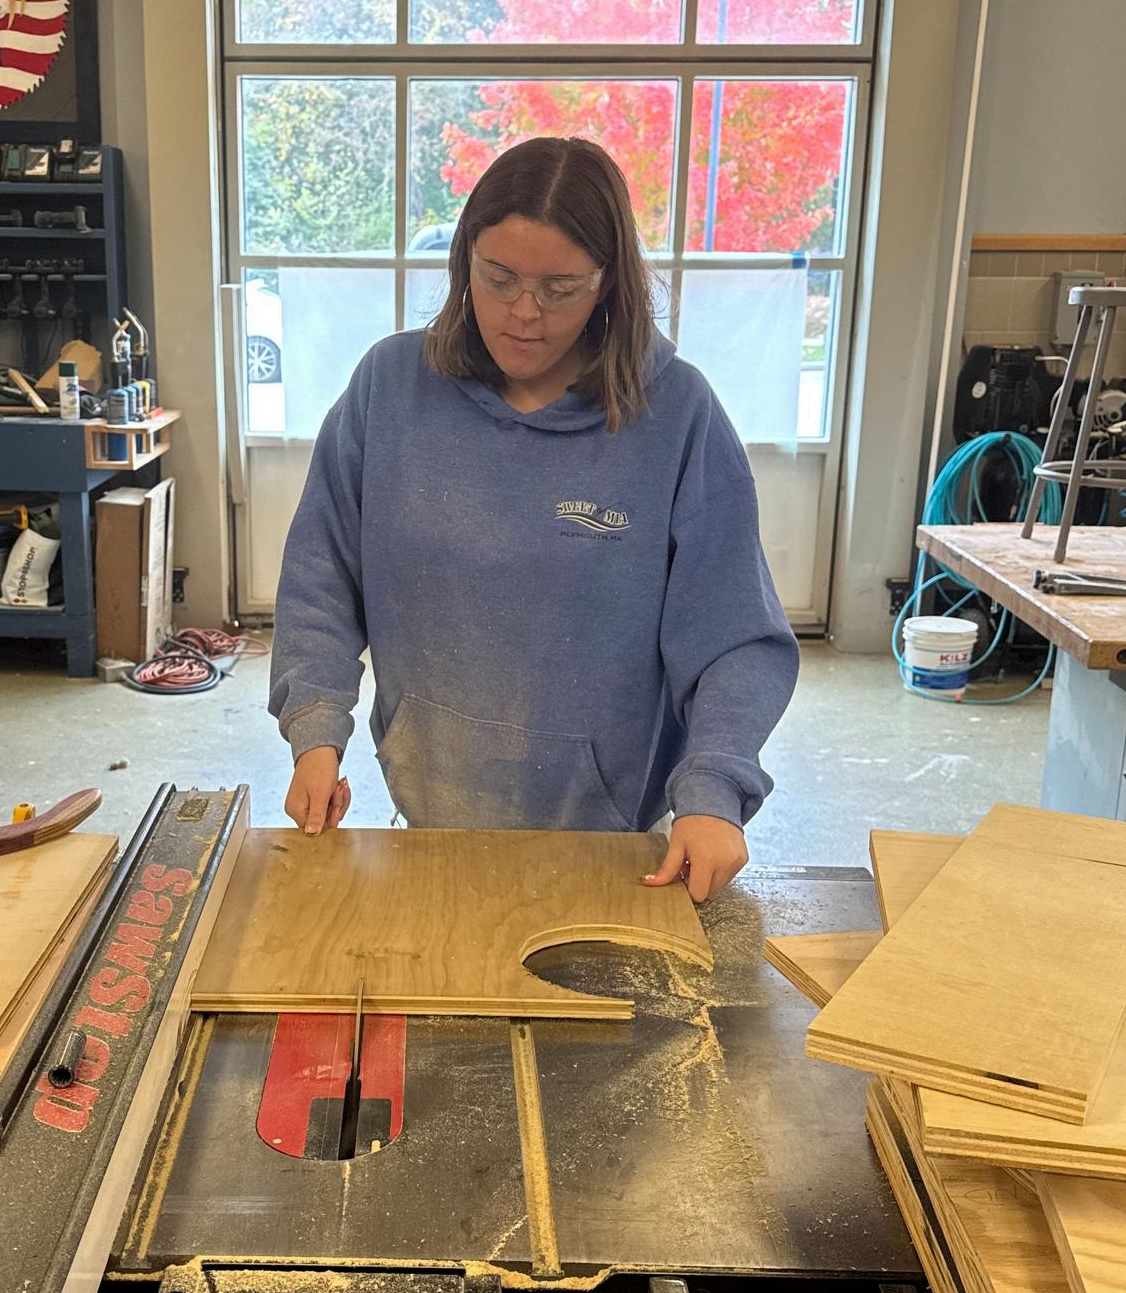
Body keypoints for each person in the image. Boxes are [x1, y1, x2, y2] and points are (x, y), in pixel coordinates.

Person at [267, 135, 799, 902]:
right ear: (464, 265)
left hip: (612, 842)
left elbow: (735, 636)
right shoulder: (389, 388)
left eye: (560, 289)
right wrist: (315, 728)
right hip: (431, 810)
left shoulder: (676, 414)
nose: (523, 312)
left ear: (607, 284)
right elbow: (320, 575)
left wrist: (714, 790)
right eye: (499, 278)